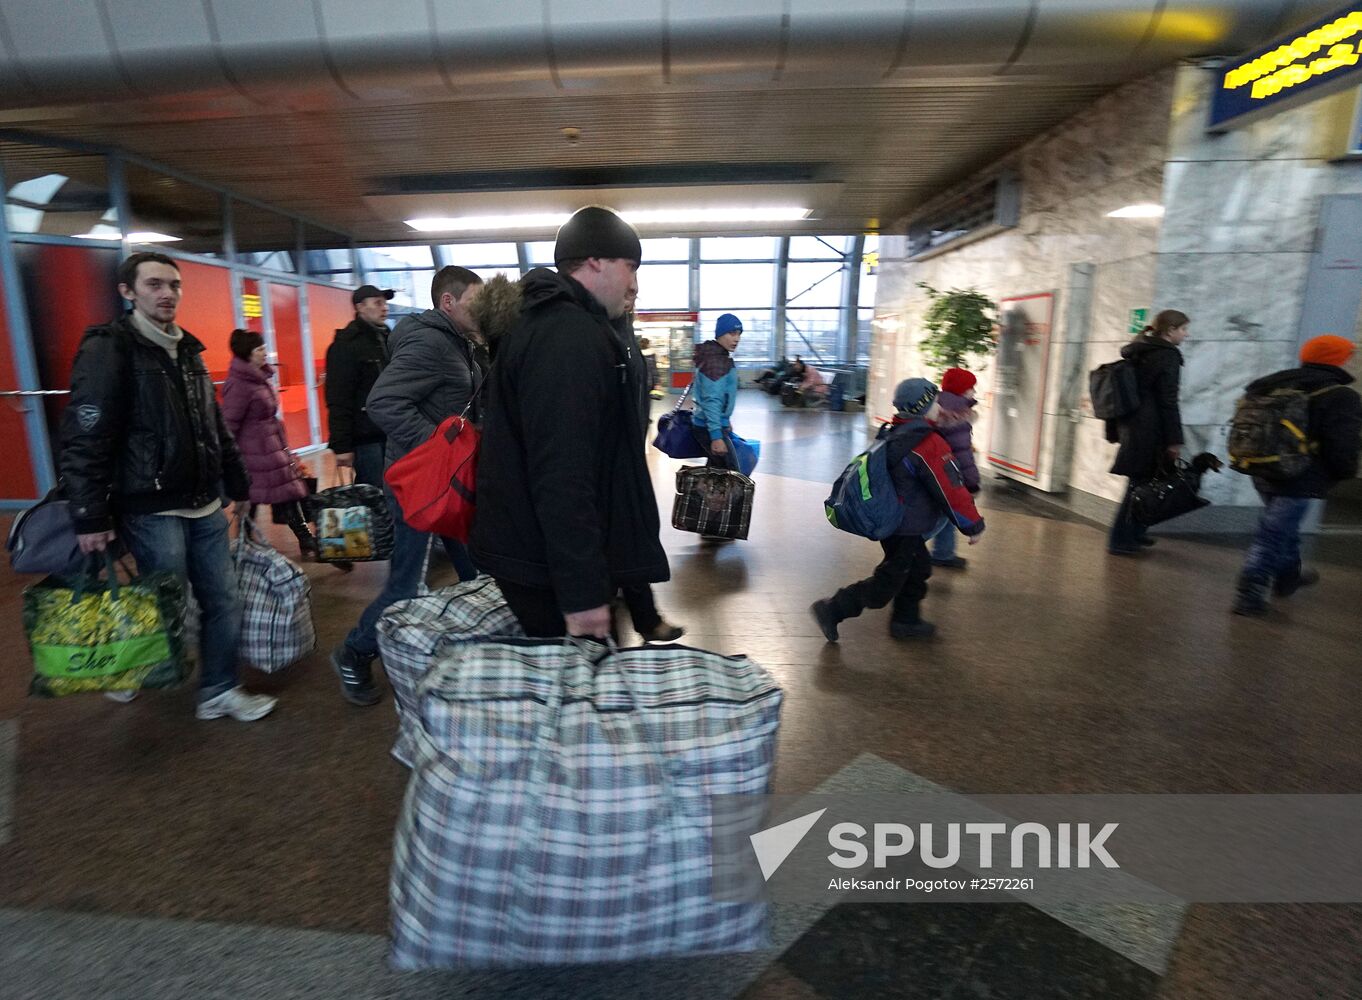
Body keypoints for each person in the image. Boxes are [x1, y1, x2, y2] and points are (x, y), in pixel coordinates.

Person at [60, 252, 276, 721]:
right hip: (150, 506)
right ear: (128, 291)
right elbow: (87, 435)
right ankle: (133, 665)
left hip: (203, 501)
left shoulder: (189, 350)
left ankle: (218, 689)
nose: (167, 294)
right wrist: (89, 513)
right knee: (165, 600)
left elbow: (214, 426)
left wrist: (239, 482)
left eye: (173, 285)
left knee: (222, 598)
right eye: (155, 284)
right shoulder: (110, 348)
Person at [472, 206, 669, 639]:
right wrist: (582, 593)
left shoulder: (559, 323)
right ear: (596, 260)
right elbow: (562, 472)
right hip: (545, 562)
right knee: (578, 693)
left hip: (543, 552)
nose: (634, 282)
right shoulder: (567, 336)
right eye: (630, 266)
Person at [329, 267, 485, 706]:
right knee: (404, 587)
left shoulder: (460, 341)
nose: (483, 309)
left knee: (478, 573)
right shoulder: (429, 341)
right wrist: (439, 450)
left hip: (449, 483)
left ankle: (478, 661)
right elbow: (383, 402)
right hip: (421, 483)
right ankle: (354, 652)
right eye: (475, 300)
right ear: (449, 302)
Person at [810, 378, 985, 642]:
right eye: (935, 401)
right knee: (888, 582)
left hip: (896, 520)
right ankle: (833, 608)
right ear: (924, 406)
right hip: (906, 525)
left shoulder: (895, 431)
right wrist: (972, 524)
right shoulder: (927, 443)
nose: (940, 405)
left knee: (917, 569)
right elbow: (950, 489)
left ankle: (906, 620)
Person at [1232, 334, 1361, 617]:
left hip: (1262, 467)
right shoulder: (1341, 396)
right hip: (1301, 475)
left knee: (1281, 527)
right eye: (1348, 355)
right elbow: (1343, 443)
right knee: (1272, 534)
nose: (1351, 360)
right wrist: (1344, 473)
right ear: (1336, 360)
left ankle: (1288, 576)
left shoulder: (1270, 384)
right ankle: (1250, 593)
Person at [220, 329, 316, 560]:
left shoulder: (258, 377)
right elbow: (229, 423)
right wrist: (230, 458)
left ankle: (303, 538)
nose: (265, 353)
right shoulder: (240, 384)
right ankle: (245, 541)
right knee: (253, 498)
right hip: (252, 453)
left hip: (270, 447)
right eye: (260, 349)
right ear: (248, 353)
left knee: (286, 492)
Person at [1105, 309, 1189, 555]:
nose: (1186, 334)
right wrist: (1175, 440)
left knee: (1143, 484)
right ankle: (1120, 539)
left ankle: (1135, 533)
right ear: (1170, 330)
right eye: (1183, 329)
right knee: (1139, 486)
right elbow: (1168, 401)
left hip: (1135, 426)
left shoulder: (1141, 350)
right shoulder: (1167, 355)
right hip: (1151, 430)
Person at [325, 284, 393, 488]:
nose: (385, 308)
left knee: (398, 495)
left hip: (392, 432)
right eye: (378, 303)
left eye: (385, 303)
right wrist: (342, 446)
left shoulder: (387, 340)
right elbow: (338, 398)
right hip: (366, 438)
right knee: (375, 493)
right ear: (360, 307)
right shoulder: (346, 345)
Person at [928, 367, 982, 569]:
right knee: (943, 514)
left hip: (932, 467)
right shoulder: (959, 415)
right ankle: (931, 553)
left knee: (941, 512)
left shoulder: (937, 405)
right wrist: (973, 482)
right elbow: (963, 453)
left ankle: (943, 552)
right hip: (949, 472)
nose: (974, 392)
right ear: (962, 390)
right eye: (971, 388)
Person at [691, 313, 743, 471]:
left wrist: (725, 421)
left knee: (715, 473)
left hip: (712, 424)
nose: (737, 339)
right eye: (732, 333)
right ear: (720, 334)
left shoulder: (718, 356)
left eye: (739, 334)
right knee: (732, 475)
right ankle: (695, 495)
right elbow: (712, 399)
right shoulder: (716, 362)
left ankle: (696, 496)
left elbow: (721, 396)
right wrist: (716, 436)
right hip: (709, 427)